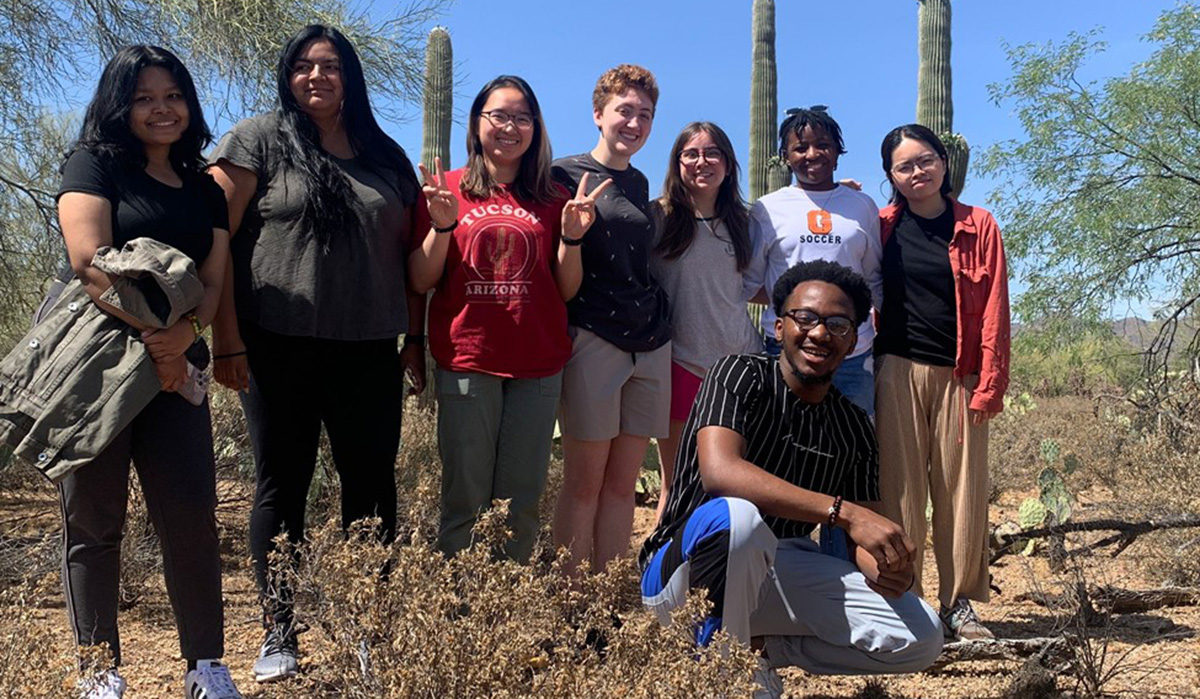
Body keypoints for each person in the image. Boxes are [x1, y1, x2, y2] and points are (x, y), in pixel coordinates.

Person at [207, 24, 425, 682]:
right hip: (276, 345)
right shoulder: (256, 140)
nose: (316, 76)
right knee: (282, 488)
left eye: (330, 65)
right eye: (303, 65)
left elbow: (412, 257)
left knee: (372, 491)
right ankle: (280, 630)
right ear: (287, 75)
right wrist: (225, 336)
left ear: (350, 76)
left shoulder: (385, 155)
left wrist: (414, 339)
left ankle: (367, 629)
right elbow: (215, 236)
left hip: (367, 348)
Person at [639, 260, 943, 697]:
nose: (819, 333)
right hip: (683, 574)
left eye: (838, 324)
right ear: (778, 327)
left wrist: (886, 565)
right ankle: (721, 670)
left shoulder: (853, 426)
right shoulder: (738, 375)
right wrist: (843, 512)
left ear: (853, 340)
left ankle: (762, 647)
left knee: (921, 635)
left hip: (777, 575)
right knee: (740, 519)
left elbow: (863, 537)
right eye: (805, 318)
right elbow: (720, 473)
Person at [55, 45, 243, 699]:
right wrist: (156, 337)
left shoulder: (204, 188)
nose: (161, 109)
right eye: (144, 97)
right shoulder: (94, 165)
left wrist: (181, 338)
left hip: (176, 370)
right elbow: (89, 262)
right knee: (94, 519)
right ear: (120, 106)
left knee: (190, 513)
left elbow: (214, 278)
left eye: (172, 96)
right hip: (98, 366)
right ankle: (99, 669)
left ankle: (205, 666)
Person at [408, 75, 610, 562]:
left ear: (536, 129)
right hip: (468, 361)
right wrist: (441, 225)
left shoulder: (556, 196)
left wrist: (573, 238)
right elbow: (419, 278)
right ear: (477, 123)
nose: (510, 126)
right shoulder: (447, 189)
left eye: (522, 117)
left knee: (521, 506)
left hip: (538, 367)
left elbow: (565, 288)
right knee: (464, 502)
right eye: (499, 115)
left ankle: (507, 619)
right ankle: (460, 618)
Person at [874, 124, 1011, 641]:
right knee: (899, 493)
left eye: (926, 160)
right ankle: (905, 600)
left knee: (961, 491)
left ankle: (958, 605)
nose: (918, 172)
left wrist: (989, 383)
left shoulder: (979, 226)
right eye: (905, 166)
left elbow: (995, 306)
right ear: (891, 175)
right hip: (896, 371)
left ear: (944, 163)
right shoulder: (881, 225)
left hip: (960, 374)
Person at [550, 64, 671, 575]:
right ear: (599, 114)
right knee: (584, 484)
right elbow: (558, 269)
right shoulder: (563, 175)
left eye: (645, 114)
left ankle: (607, 605)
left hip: (651, 341)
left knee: (623, 486)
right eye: (625, 110)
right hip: (595, 338)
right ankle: (571, 602)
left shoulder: (641, 182)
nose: (635, 122)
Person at [650, 121, 765, 523]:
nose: (702, 162)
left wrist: (838, 197)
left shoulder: (748, 222)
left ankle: (725, 580)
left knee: (736, 487)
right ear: (677, 162)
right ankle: (664, 581)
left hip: (740, 368)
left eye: (712, 152)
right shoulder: (658, 217)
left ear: (729, 164)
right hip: (681, 363)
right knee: (678, 485)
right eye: (691, 153)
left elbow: (764, 284)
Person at [752, 106, 882, 416]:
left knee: (853, 448)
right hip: (784, 352)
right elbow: (752, 281)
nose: (813, 154)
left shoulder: (862, 206)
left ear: (838, 152)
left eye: (823, 144)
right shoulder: (767, 209)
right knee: (782, 449)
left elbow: (873, 278)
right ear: (786, 156)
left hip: (852, 354)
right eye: (801, 147)